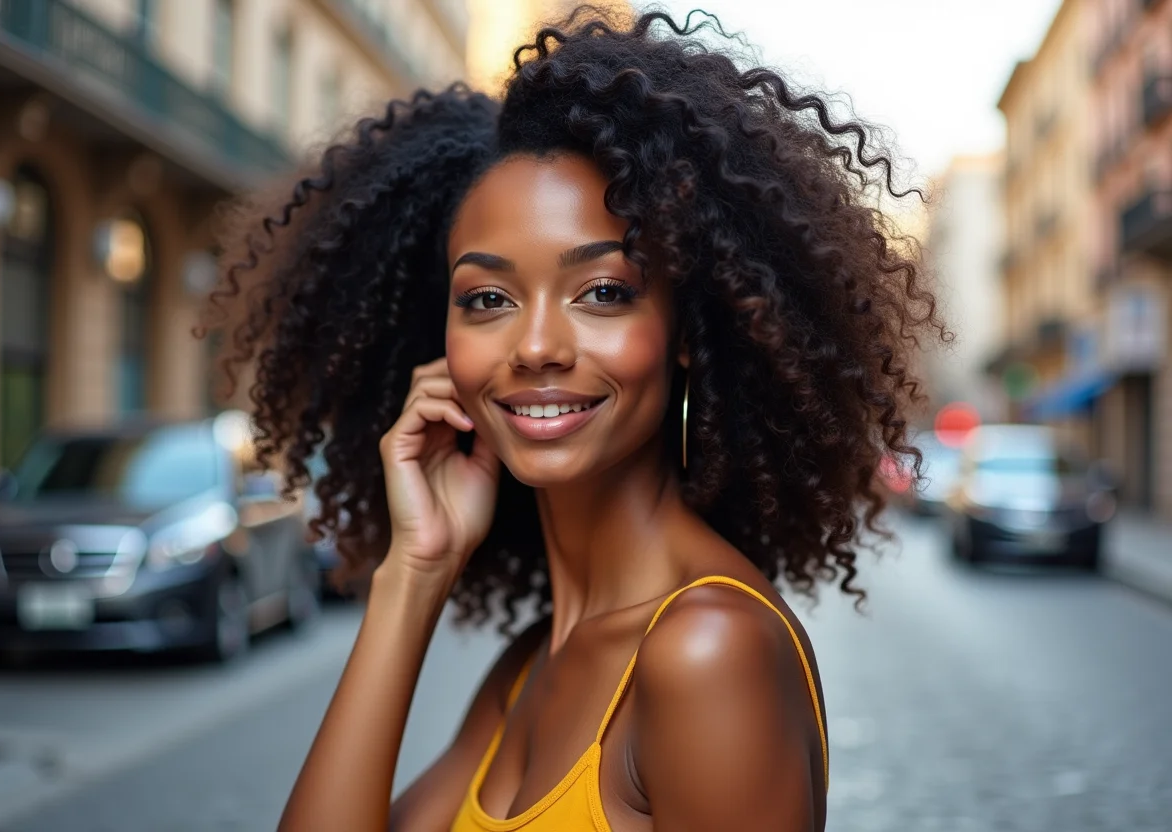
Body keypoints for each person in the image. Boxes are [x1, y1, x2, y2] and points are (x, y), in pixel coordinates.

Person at [207, 7, 944, 830]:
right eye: (487, 299)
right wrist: (412, 578)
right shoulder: (533, 663)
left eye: (603, 292)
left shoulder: (708, 649)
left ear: (689, 333)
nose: (535, 346)